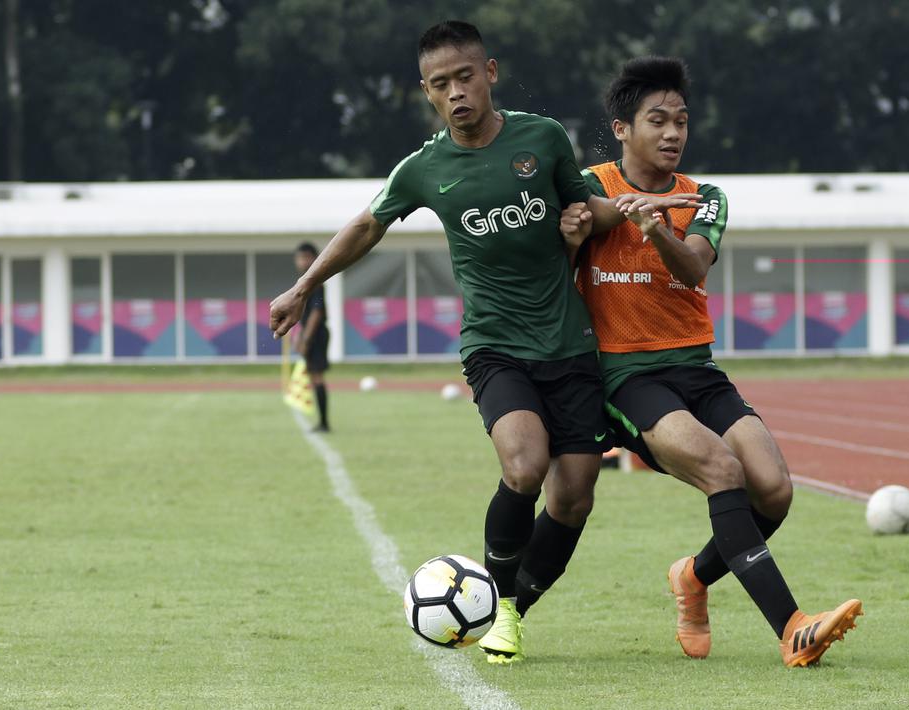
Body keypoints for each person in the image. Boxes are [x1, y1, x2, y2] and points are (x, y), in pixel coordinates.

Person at [269, 22, 698, 664]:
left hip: (570, 344)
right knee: (524, 467)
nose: (456, 93)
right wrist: (303, 286)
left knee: (574, 493)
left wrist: (620, 208)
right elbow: (366, 225)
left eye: (465, 77)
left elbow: (584, 209)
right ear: (427, 93)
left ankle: (514, 611)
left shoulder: (543, 139)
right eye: (440, 85)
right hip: (494, 344)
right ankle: (496, 603)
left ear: (489, 73)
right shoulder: (424, 168)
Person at [561, 56, 862, 667]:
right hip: (626, 375)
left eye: (681, 122)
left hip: (697, 369)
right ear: (622, 128)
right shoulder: (590, 185)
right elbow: (571, 227)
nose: (673, 133)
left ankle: (693, 579)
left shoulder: (706, 197)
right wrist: (589, 222)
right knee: (723, 471)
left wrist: (655, 228)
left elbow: (694, 265)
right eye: (657, 121)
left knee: (773, 490)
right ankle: (793, 627)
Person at [294, 242, 330, 432]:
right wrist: (300, 336)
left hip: (317, 335)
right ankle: (322, 422)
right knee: (314, 376)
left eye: (304, 257)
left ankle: (324, 423)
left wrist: (306, 339)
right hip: (310, 333)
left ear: (313, 258)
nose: (300, 262)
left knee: (317, 377)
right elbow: (306, 316)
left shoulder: (316, 283)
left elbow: (316, 314)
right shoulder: (306, 282)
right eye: (298, 258)